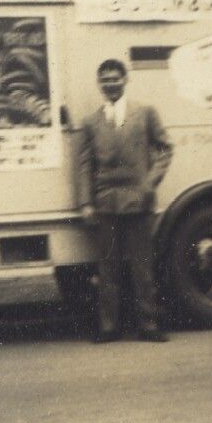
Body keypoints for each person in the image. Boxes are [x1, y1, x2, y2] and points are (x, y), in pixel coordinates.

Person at [78, 58, 173, 342]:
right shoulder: (90, 122)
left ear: (125, 79)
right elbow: (84, 165)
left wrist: (150, 182)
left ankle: (149, 324)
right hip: (106, 202)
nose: (110, 84)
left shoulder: (145, 113)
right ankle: (109, 327)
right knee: (108, 268)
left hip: (139, 201)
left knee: (142, 266)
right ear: (99, 84)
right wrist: (86, 203)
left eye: (114, 78)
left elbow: (165, 148)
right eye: (104, 79)